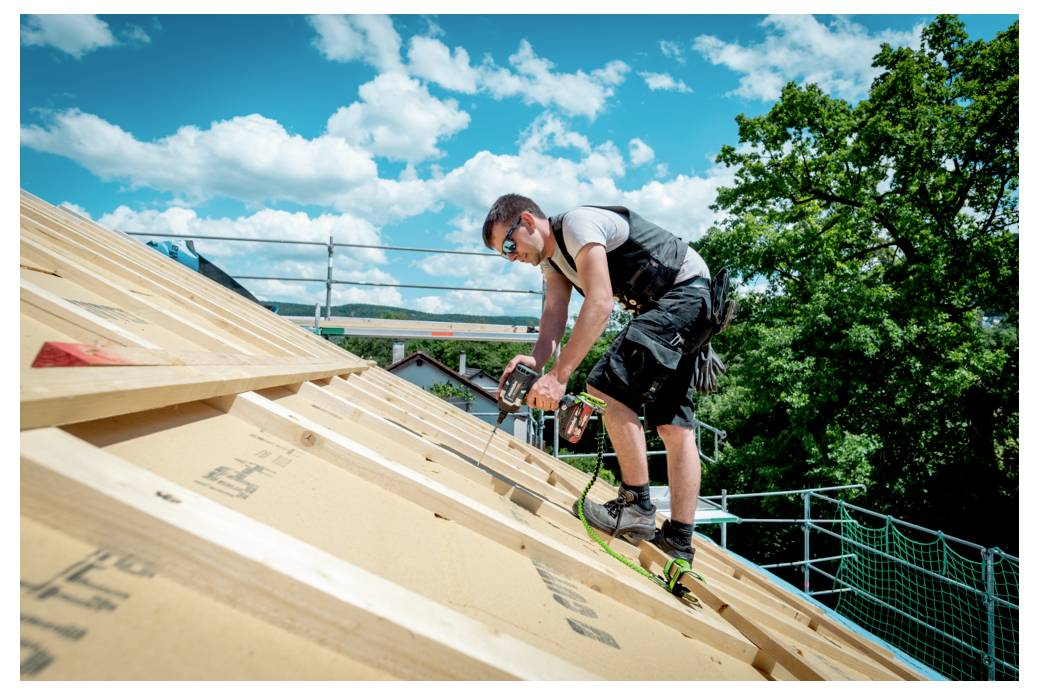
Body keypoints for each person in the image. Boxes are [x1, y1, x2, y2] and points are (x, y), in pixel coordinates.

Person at [482, 194, 735, 565]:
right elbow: (555, 313)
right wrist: (535, 361)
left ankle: (635, 507)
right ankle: (679, 540)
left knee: (605, 387)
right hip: (689, 304)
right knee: (673, 426)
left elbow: (600, 304)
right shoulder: (553, 261)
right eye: (503, 254)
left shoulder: (577, 227)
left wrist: (559, 375)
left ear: (528, 220)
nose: (511, 256)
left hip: (683, 296)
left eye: (509, 244)